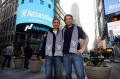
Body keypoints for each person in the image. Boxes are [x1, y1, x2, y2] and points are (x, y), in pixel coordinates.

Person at [62, 14, 89, 79]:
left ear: (72, 20)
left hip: (76, 54)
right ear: (65, 21)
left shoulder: (78, 28)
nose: (68, 20)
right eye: (67, 19)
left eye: (69, 19)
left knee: (80, 75)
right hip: (66, 55)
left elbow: (87, 38)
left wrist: (83, 48)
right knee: (68, 75)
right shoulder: (63, 30)